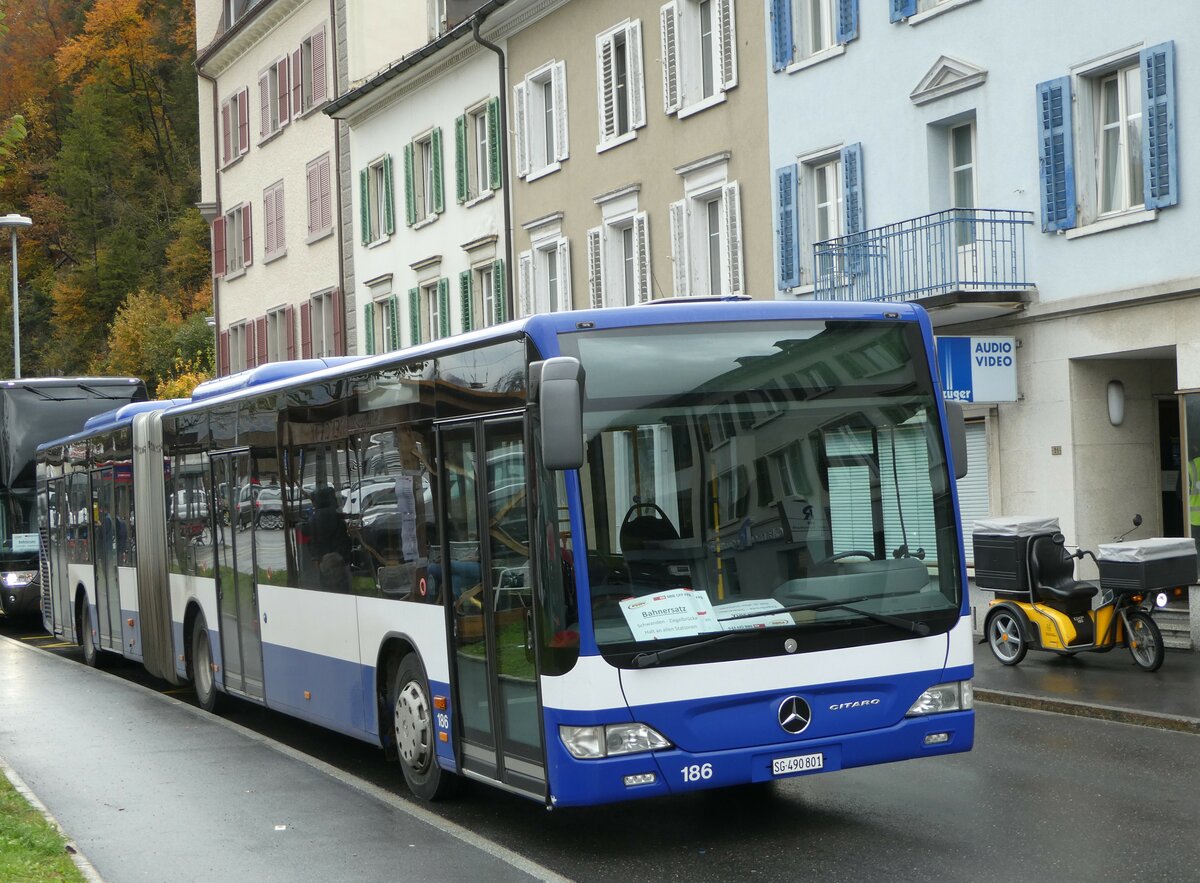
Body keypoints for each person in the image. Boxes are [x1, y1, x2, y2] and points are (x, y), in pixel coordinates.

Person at [302, 486, 352, 592]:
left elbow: (306, 531)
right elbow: (344, 537)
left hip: (322, 558)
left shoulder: (314, 518)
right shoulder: (337, 516)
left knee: (326, 587)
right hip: (339, 557)